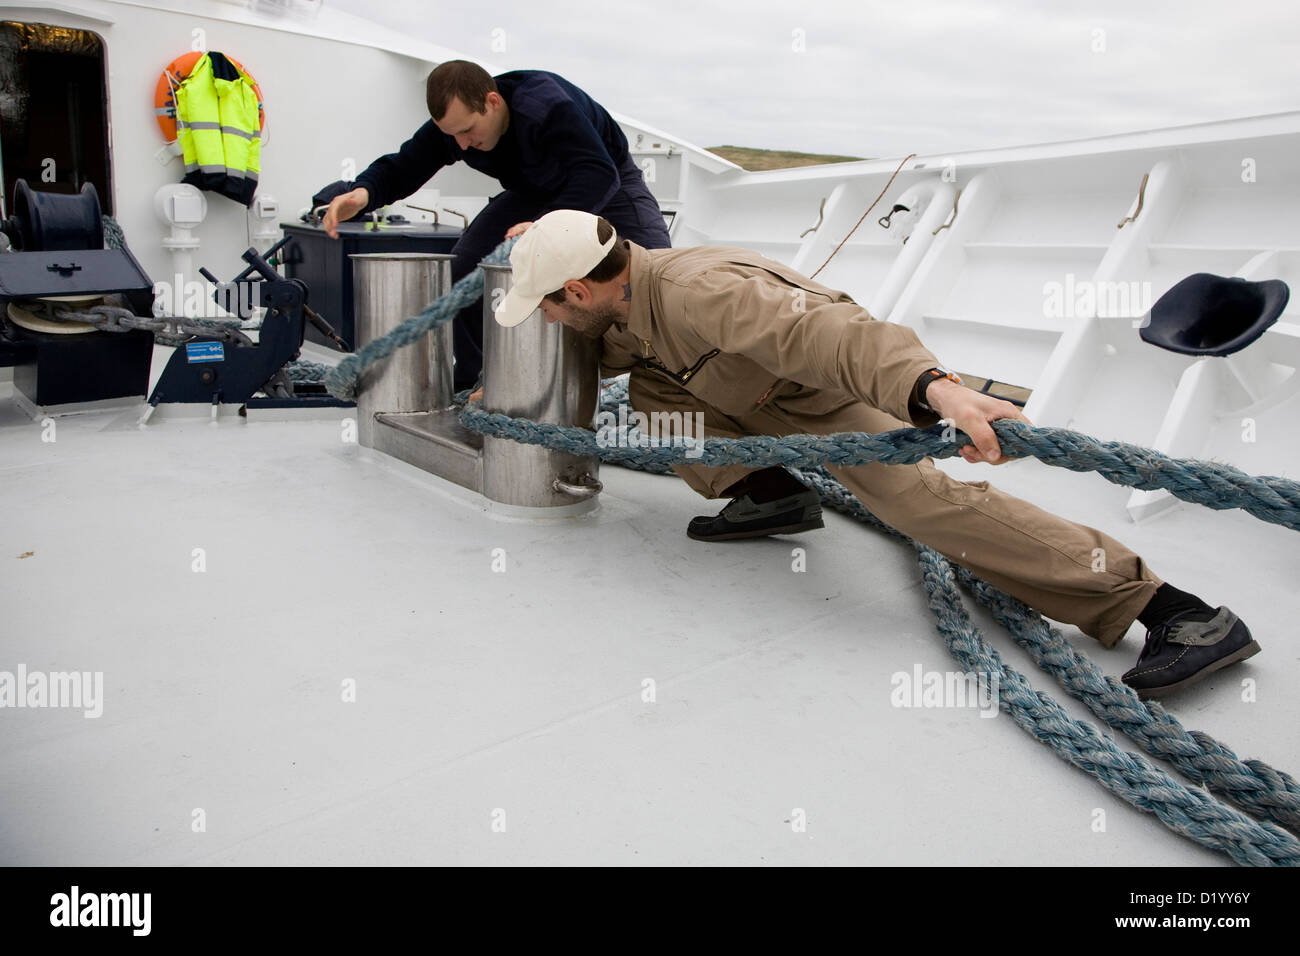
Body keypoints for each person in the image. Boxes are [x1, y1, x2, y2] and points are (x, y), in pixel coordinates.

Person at [490, 209, 1262, 700]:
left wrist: (940, 392)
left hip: (819, 399)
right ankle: (767, 490)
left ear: (581, 292)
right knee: (660, 415)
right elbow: (607, 363)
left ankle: (1173, 611)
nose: (550, 321)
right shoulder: (621, 299)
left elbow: (835, 337)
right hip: (741, 400)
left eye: (550, 305)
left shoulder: (703, 291)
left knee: (925, 505)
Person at [319, 59, 671, 392]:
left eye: (469, 130)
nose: (461, 144)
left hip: (607, 182)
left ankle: (658, 388)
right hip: (531, 192)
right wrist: (363, 194)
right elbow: (405, 165)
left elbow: (596, 172)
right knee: (463, 272)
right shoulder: (455, 127)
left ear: (492, 101)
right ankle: (479, 382)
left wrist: (543, 227)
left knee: (652, 277)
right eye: (452, 135)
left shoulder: (545, 105)